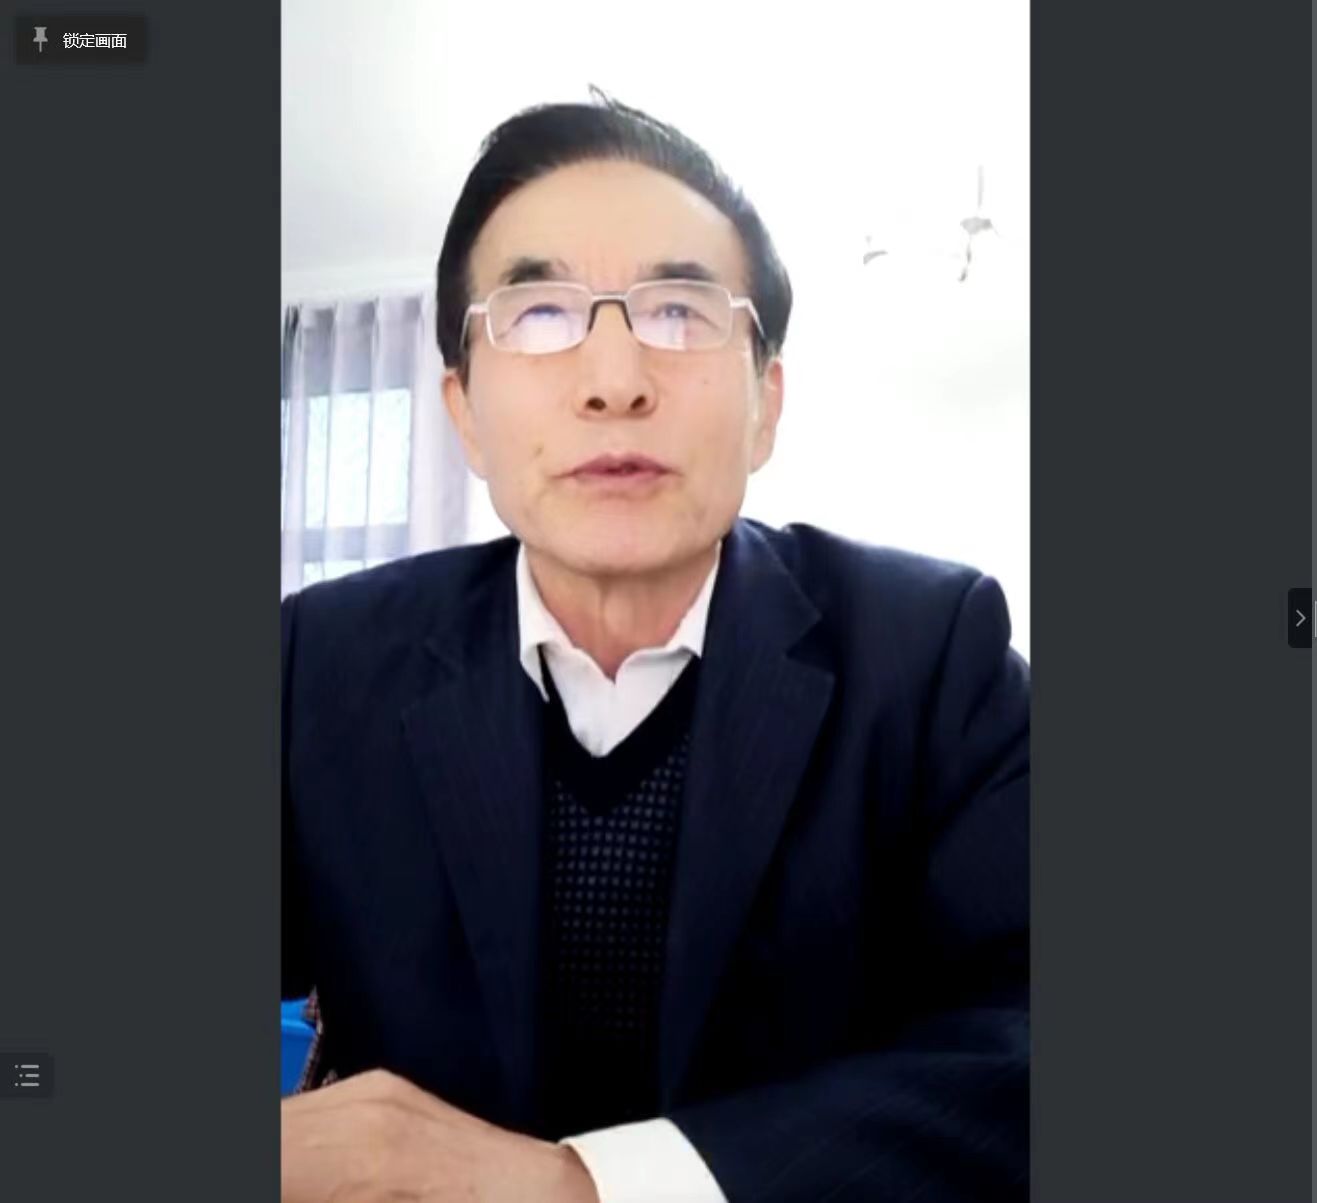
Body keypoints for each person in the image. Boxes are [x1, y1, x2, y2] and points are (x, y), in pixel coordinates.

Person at [280, 94, 1029, 1203]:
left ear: (765, 403)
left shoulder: (931, 654)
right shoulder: (318, 661)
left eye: (679, 313)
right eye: (540, 314)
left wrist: (587, 1185)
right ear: (465, 413)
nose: (614, 380)